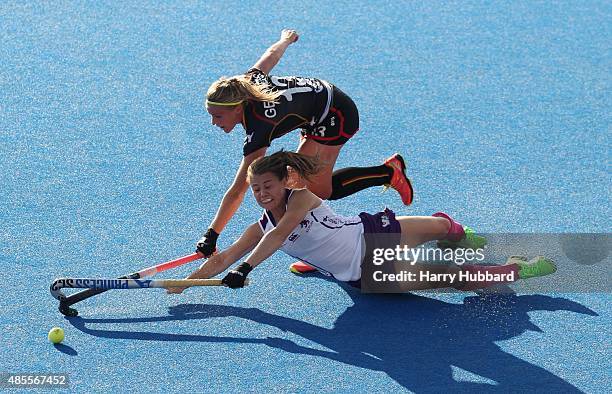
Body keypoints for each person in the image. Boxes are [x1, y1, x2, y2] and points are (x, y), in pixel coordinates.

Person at [168, 151, 556, 294]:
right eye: (255, 189)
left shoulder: (300, 198)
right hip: (365, 271)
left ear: (284, 180)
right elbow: (224, 257)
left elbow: (283, 232)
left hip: (372, 232)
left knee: (441, 228)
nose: (261, 194)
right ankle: (513, 270)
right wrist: (186, 284)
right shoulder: (259, 227)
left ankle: (455, 232)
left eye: (266, 186)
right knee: (456, 278)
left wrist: (247, 267)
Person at [196, 29, 414, 274]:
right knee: (296, 183)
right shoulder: (244, 85)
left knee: (318, 190)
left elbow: (239, 189)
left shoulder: (260, 128)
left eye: (218, 116)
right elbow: (270, 56)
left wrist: (212, 234)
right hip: (316, 109)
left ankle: (388, 173)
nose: (214, 123)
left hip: (336, 114)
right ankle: (318, 249)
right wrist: (285, 40)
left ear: (238, 108)